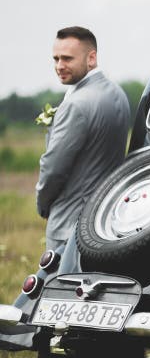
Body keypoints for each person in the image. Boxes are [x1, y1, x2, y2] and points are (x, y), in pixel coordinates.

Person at [36, 26, 130, 251]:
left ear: (91, 57)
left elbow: (53, 168)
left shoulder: (75, 105)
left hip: (69, 226)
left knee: (59, 284)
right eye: (56, 59)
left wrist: (43, 204)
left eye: (67, 58)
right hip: (108, 221)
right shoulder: (118, 94)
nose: (59, 66)